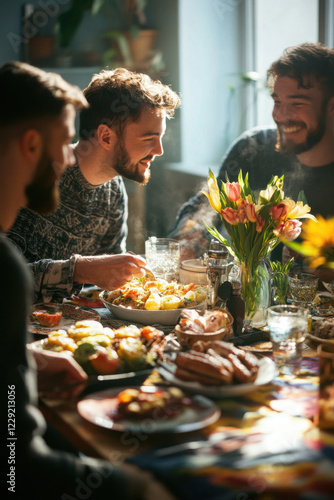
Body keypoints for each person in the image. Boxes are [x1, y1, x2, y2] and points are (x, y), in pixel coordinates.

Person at [1, 61, 174, 500]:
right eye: (64, 144)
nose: (67, 160)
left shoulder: (114, 193)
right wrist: (140, 490)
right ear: (31, 144)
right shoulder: (7, 250)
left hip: (54, 349)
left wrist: (35, 362)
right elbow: (19, 466)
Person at [7, 67, 181, 302]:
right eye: (149, 138)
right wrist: (80, 270)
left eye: (160, 137)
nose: (160, 151)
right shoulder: (33, 176)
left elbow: (110, 284)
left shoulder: (114, 191)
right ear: (106, 137)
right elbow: (6, 276)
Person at [169, 42, 334, 272]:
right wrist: (187, 243)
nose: (281, 115)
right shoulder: (254, 148)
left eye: (297, 103)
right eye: (277, 102)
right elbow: (206, 207)